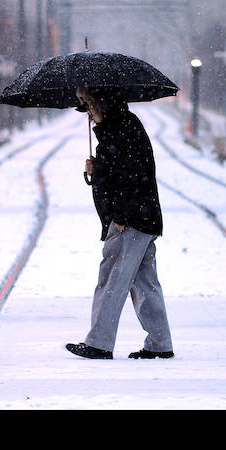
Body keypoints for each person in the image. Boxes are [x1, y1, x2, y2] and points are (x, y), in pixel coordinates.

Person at [65, 86, 174, 360]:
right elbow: (120, 171)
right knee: (145, 282)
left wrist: (122, 216)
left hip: (130, 219)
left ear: (101, 104)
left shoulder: (119, 129)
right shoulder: (124, 126)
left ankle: (99, 343)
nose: (88, 114)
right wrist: (98, 168)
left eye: (89, 107)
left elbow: (130, 175)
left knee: (111, 279)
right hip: (144, 217)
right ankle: (160, 343)